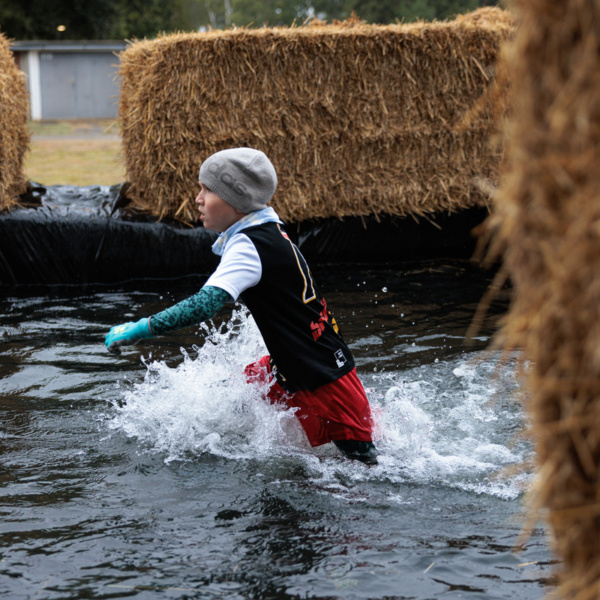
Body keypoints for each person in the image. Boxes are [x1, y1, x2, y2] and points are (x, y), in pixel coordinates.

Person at [105, 148, 377, 463]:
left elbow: (203, 305)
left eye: (207, 190)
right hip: (294, 367)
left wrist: (141, 329)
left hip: (325, 381)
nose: (198, 199)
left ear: (236, 200)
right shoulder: (268, 231)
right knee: (239, 392)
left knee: (363, 469)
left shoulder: (249, 246)